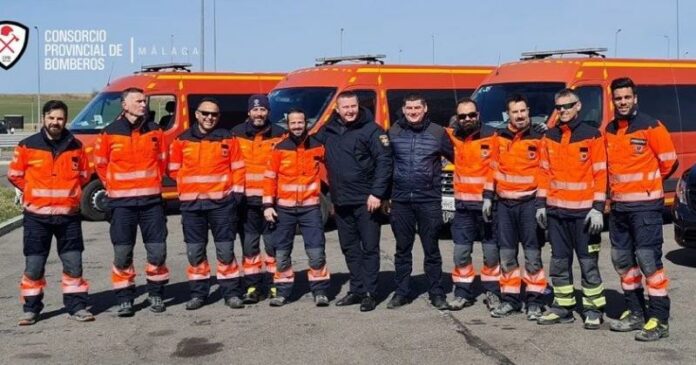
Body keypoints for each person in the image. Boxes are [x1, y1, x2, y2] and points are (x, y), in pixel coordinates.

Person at [8, 100, 94, 325]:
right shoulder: (27, 145)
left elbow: (84, 175)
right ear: (43, 118)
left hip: (68, 217)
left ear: (65, 120)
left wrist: (70, 195)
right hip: (37, 218)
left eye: (60, 118)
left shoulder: (76, 146)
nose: (56, 122)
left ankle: (77, 306)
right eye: (52, 118)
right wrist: (34, 193)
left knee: (73, 264)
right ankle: (31, 309)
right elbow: (15, 175)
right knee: (34, 266)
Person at [605, 77, 678, 341]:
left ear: (635, 98)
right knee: (623, 262)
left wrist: (647, 185)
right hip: (619, 209)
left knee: (648, 262)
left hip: (646, 209)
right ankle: (636, 313)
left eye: (627, 97)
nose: (622, 102)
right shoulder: (610, 130)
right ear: (612, 101)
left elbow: (669, 162)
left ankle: (659, 319)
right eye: (618, 98)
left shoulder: (652, 126)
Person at [94, 87, 170, 317]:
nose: (143, 105)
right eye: (138, 101)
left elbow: (162, 161)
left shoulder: (156, 131)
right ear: (124, 105)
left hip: (151, 203)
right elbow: (101, 165)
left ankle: (156, 293)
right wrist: (116, 186)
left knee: (157, 251)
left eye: (145, 101)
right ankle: (125, 298)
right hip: (122, 204)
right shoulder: (109, 134)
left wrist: (152, 183)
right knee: (123, 253)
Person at [536, 89, 607, 329]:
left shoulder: (592, 135)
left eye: (568, 106)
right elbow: (544, 173)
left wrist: (598, 208)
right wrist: (540, 205)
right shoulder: (550, 137)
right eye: (559, 107)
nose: (563, 111)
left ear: (579, 106)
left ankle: (593, 309)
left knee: (588, 263)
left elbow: (600, 173)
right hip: (556, 214)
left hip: (585, 216)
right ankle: (562, 307)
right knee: (558, 263)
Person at [315, 91, 392, 312]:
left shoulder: (371, 130)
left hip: (366, 200)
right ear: (336, 109)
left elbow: (385, 162)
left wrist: (377, 193)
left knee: (369, 248)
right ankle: (356, 289)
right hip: (341, 201)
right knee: (349, 248)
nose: (349, 111)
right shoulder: (328, 131)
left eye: (353, 106)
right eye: (345, 107)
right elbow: (306, 145)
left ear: (358, 107)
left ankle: (370, 292)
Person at [168, 98, 246, 310]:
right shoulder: (181, 140)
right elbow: (173, 169)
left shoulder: (228, 139)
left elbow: (238, 168)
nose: (209, 117)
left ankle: (231, 293)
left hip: (221, 205)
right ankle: (198, 294)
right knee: (195, 252)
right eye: (205, 113)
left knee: (226, 252)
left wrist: (235, 195)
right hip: (192, 206)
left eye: (214, 114)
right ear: (197, 115)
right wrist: (189, 187)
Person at [386, 94, 453, 310]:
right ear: (403, 110)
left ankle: (436, 292)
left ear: (425, 109)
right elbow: (385, 164)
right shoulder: (394, 131)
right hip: (401, 200)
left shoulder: (438, 132)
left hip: (429, 200)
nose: (413, 112)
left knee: (431, 249)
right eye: (409, 108)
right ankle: (401, 292)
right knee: (402, 249)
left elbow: (459, 157)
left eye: (417, 107)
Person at [485, 94, 549, 320]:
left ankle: (534, 300)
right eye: (515, 112)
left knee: (532, 255)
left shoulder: (540, 137)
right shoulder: (499, 137)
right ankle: (511, 299)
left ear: (528, 111)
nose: (520, 115)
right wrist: (487, 197)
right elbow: (492, 169)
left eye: (523, 111)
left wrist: (541, 203)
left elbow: (544, 172)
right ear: (508, 114)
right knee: (507, 255)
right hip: (504, 205)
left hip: (529, 204)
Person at [262, 108, 331, 307]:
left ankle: (320, 291)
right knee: (282, 253)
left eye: (300, 122)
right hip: (284, 209)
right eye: (293, 123)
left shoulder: (318, 146)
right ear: (288, 124)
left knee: (317, 253)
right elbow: (270, 178)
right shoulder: (279, 148)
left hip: (311, 209)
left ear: (306, 123)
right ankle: (283, 292)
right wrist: (267, 205)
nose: (297, 126)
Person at [445, 98, 502, 312]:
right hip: (463, 208)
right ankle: (462, 293)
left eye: (471, 115)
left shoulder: (493, 136)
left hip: (488, 206)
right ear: (456, 119)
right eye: (462, 116)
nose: (467, 119)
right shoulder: (453, 136)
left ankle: (493, 292)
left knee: (491, 254)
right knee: (460, 253)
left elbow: (498, 167)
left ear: (478, 115)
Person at [232, 94, 286, 303]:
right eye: (255, 110)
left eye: (262, 110)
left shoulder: (281, 135)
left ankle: (274, 286)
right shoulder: (236, 134)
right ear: (248, 112)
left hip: (271, 203)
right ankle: (252, 287)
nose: (259, 113)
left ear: (268, 112)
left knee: (273, 247)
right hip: (246, 204)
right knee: (250, 248)